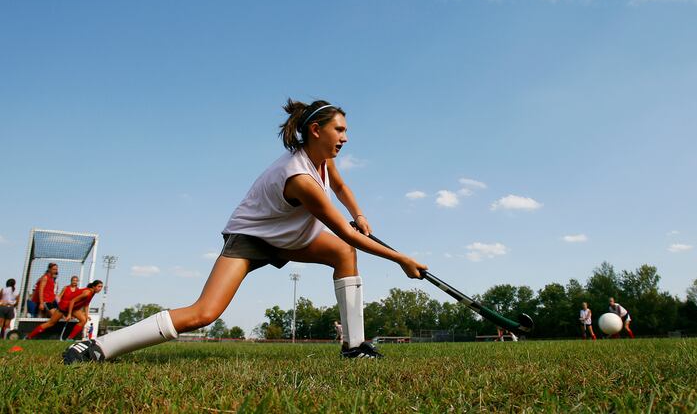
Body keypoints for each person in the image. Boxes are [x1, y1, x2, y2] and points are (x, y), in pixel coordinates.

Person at [63, 98, 427, 364]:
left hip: (287, 239)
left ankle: (354, 347)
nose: (346, 137)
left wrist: (359, 213)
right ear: (316, 130)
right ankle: (98, 347)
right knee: (204, 313)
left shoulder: (323, 159)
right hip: (250, 239)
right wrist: (402, 260)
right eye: (340, 129)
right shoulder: (301, 179)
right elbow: (346, 234)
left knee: (342, 255)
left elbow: (343, 190)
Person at [27, 280, 103, 340]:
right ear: (94, 286)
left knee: (84, 319)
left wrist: (87, 315)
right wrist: (69, 314)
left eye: (101, 287)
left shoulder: (92, 293)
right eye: (99, 286)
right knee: (51, 323)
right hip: (65, 306)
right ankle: (29, 336)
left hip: (73, 308)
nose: (100, 289)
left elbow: (86, 304)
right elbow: (72, 301)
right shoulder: (87, 292)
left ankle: (69, 338)